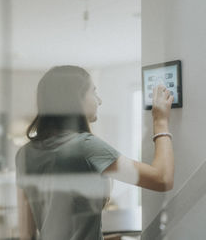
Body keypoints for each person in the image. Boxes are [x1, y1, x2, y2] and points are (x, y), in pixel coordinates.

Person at [15, 65, 174, 240]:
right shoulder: (85, 146)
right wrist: (160, 121)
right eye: (94, 92)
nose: (99, 100)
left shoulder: (24, 153)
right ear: (75, 99)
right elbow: (162, 179)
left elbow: (27, 233)